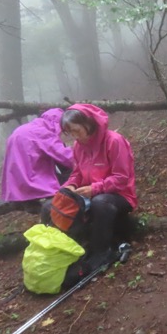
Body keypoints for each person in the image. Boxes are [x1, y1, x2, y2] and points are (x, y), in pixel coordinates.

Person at [43, 103, 137, 272]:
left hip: (119, 195)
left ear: (88, 123)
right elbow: (77, 173)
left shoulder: (113, 141)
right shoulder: (79, 146)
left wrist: (95, 188)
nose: (74, 136)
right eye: (70, 133)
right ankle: (67, 249)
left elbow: (121, 178)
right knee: (51, 205)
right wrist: (69, 186)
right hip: (91, 194)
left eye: (76, 131)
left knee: (99, 203)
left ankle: (101, 250)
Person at [1, 108, 73, 210]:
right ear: (58, 123)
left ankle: (27, 202)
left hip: (16, 182)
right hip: (33, 177)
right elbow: (64, 155)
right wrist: (85, 158)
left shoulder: (25, 128)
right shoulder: (42, 132)